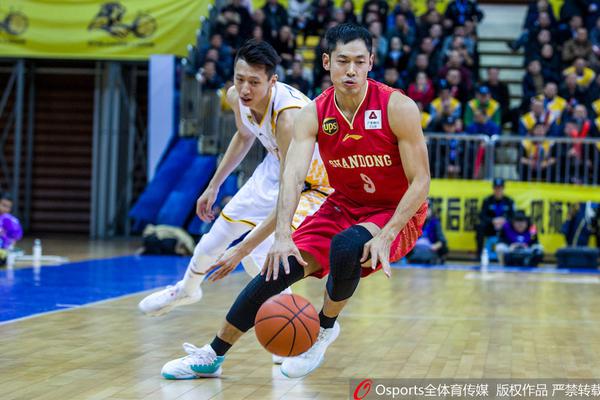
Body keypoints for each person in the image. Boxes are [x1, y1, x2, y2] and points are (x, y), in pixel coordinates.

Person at [159, 23, 429, 380]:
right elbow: (292, 177)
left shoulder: (398, 107)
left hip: (395, 212)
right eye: (343, 61)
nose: (351, 70)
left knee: (346, 246)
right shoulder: (313, 113)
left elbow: (421, 181)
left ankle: (324, 329)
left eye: (359, 62)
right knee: (278, 267)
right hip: (343, 204)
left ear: (371, 62)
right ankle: (212, 354)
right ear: (326, 62)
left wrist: (387, 234)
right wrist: (282, 236)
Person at [138, 40, 332, 362]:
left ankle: (286, 325)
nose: (244, 89)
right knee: (215, 237)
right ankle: (187, 289)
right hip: (275, 167)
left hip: (313, 185)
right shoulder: (236, 96)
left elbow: (292, 188)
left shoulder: (289, 118)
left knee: (263, 251)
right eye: (239, 79)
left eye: (254, 82)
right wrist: (213, 185)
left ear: (272, 81)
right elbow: (243, 136)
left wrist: (241, 250)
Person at [475, 178, 515, 260]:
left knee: (514, 227)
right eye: (496, 188)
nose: (498, 191)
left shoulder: (509, 201)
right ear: (493, 189)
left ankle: (512, 255)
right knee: (480, 227)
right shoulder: (487, 201)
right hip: (491, 226)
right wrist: (493, 221)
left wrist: (504, 221)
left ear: (503, 189)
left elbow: (513, 217)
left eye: (500, 188)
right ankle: (480, 254)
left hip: (504, 227)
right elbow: (482, 216)